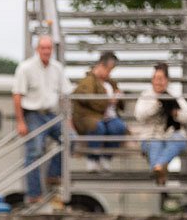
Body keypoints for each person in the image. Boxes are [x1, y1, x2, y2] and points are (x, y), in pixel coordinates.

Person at [12, 35, 73, 204]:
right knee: (34, 152)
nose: (46, 51)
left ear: (52, 49)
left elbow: (66, 94)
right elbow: (17, 95)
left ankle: (53, 174)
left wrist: (68, 119)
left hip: (51, 114)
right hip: (33, 114)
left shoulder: (57, 68)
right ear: (37, 49)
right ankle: (34, 194)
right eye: (43, 48)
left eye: (49, 48)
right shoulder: (25, 68)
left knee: (71, 139)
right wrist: (20, 121)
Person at [135, 63, 187, 185]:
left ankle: (158, 167)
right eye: (155, 78)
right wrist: (157, 105)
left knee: (179, 140)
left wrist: (175, 113)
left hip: (170, 134)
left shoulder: (174, 95)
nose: (157, 82)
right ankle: (160, 173)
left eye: (160, 79)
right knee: (155, 144)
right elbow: (139, 116)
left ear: (167, 80)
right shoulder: (146, 96)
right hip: (151, 136)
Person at [72, 51, 127, 173]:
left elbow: (120, 103)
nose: (109, 73)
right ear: (101, 66)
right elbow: (86, 99)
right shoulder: (87, 81)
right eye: (108, 69)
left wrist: (119, 98)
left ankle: (106, 158)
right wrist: (108, 101)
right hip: (89, 117)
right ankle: (93, 159)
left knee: (118, 127)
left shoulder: (111, 82)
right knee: (98, 127)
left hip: (110, 117)